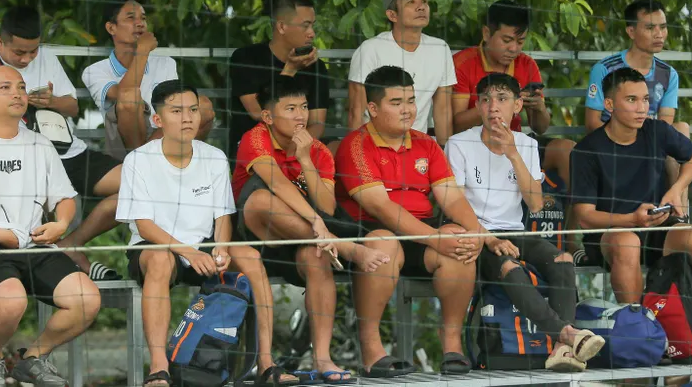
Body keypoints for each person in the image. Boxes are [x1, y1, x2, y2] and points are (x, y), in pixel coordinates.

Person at [117, 80, 299, 387]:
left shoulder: (213, 156)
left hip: (204, 246)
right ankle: (159, 367)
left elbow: (223, 216)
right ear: (157, 119)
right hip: (156, 245)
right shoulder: (138, 159)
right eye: (177, 111)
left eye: (193, 110)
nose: (187, 118)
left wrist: (222, 248)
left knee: (250, 258)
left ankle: (266, 363)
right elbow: (144, 225)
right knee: (160, 261)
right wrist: (187, 251)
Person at [0, 66, 101, 387]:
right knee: (12, 301)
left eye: (22, 87)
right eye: (5, 87)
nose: (17, 93)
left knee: (87, 300)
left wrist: (61, 224)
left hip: (34, 243)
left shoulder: (40, 144)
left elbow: (65, 198)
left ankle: (33, 359)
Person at [445, 73, 605, 372]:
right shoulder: (459, 143)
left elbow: (535, 204)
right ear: (478, 106)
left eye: (502, 99)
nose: (493, 107)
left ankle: (561, 349)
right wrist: (488, 237)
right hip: (476, 233)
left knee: (563, 259)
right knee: (509, 266)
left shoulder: (526, 144)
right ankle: (567, 335)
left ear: (517, 105)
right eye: (485, 100)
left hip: (515, 231)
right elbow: (455, 205)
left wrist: (513, 154)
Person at [234, 77, 389, 383]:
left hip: (309, 240)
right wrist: (317, 224)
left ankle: (322, 358)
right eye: (290, 108)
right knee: (263, 199)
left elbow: (327, 208)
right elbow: (277, 184)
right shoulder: (255, 138)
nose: (300, 115)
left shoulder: (317, 150)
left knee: (318, 258)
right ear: (267, 116)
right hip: (259, 234)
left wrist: (305, 160)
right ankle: (346, 248)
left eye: (304, 107)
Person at [0, 6, 122, 280]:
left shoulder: (46, 58)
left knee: (137, 186)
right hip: (18, 160)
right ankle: (62, 260)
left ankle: (71, 245)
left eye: (33, 51)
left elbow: (73, 107)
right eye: (19, 52)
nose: (27, 59)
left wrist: (51, 102)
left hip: (65, 150)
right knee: (51, 207)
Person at [335, 65, 481, 378]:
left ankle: (452, 344)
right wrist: (436, 238)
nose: (408, 110)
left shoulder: (426, 143)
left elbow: (452, 198)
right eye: (396, 102)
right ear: (373, 108)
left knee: (460, 242)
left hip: (421, 231)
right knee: (385, 244)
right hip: (369, 233)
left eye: (411, 101)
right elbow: (382, 208)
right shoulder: (355, 145)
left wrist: (475, 233)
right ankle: (371, 349)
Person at [571, 68, 692, 304]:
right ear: (609, 105)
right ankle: (637, 323)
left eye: (645, 99)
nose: (642, 108)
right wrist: (632, 219)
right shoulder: (586, 151)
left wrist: (676, 189)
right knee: (627, 243)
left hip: (656, 226)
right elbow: (585, 217)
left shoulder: (656, 130)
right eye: (632, 100)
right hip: (610, 233)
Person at [451, 0, 576, 249]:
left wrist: (537, 107)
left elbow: (541, 127)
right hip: (478, 142)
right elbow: (457, 122)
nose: (514, 48)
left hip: (518, 143)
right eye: (507, 40)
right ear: (487, 33)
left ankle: (571, 240)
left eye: (520, 41)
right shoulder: (464, 63)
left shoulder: (526, 64)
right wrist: (496, 103)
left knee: (568, 150)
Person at [584, 0, 689, 208]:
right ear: (631, 32)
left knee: (681, 130)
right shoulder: (605, 69)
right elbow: (591, 123)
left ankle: (678, 213)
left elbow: (665, 124)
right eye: (650, 28)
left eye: (663, 27)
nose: (659, 34)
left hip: (650, 142)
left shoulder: (668, 74)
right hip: (613, 142)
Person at [82, 0, 214, 159]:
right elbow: (124, 94)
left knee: (203, 106)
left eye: (143, 18)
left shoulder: (166, 63)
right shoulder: (94, 71)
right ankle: (141, 161)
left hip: (164, 132)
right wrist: (143, 50)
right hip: (124, 143)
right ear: (111, 28)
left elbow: (175, 105)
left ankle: (145, 161)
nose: (140, 23)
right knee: (130, 98)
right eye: (131, 18)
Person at [347, 0, 456, 146]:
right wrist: (357, 153)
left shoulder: (440, 48)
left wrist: (445, 152)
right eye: (411, 2)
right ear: (392, 15)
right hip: (375, 144)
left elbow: (443, 110)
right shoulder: (370, 50)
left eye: (424, 1)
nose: (421, 7)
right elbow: (356, 112)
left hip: (418, 145)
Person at [228, 0, 330, 160]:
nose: (312, 33)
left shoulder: (316, 67)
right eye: (305, 25)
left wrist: (295, 149)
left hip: (299, 149)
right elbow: (259, 113)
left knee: (335, 148)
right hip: (256, 151)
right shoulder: (246, 58)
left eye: (313, 25)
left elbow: (317, 123)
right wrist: (290, 70)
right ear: (282, 27)